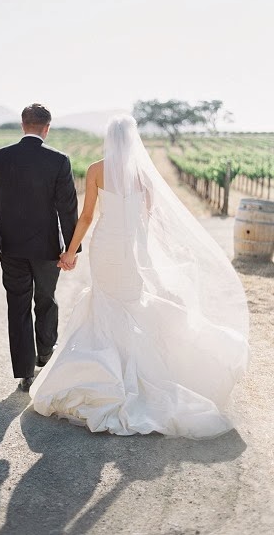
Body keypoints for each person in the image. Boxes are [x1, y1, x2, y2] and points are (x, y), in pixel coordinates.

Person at [30, 114, 249, 438]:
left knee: (104, 303)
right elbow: (147, 224)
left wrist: (70, 252)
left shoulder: (96, 170)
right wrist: (148, 259)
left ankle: (101, 376)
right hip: (129, 251)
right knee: (130, 306)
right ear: (133, 141)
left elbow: (88, 216)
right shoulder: (144, 177)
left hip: (104, 248)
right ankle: (130, 373)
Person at [0, 103, 80, 392]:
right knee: (46, 298)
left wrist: (7, 229)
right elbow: (68, 209)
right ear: (46, 128)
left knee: (18, 306)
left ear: (23, 125)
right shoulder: (59, 161)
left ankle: (25, 373)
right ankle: (46, 352)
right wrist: (71, 249)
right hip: (48, 246)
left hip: (10, 245)